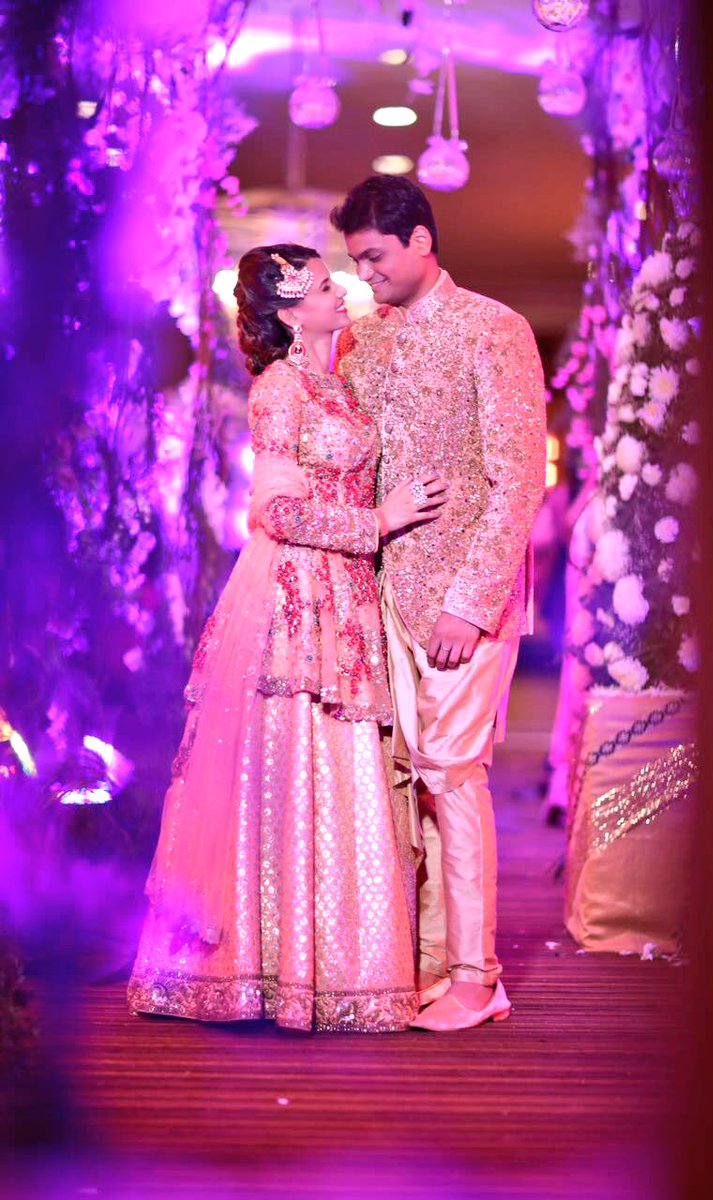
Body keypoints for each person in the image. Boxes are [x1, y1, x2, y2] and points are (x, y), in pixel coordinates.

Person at [128, 244, 448, 1033]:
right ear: (287, 309)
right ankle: (265, 971)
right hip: (296, 595)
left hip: (346, 593)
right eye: (323, 283)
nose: (341, 290)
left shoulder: (338, 384)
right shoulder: (279, 388)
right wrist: (379, 521)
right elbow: (275, 512)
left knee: (341, 771)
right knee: (291, 770)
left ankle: (338, 971)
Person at [332, 177, 547, 1031]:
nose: (365, 275)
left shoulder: (494, 328)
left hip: (464, 602)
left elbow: (518, 480)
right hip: (382, 595)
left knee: (452, 778)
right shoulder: (364, 341)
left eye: (374, 257)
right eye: (354, 262)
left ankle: (475, 977)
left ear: (420, 240)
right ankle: (422, 961)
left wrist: (470, 601)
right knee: (405, 784)